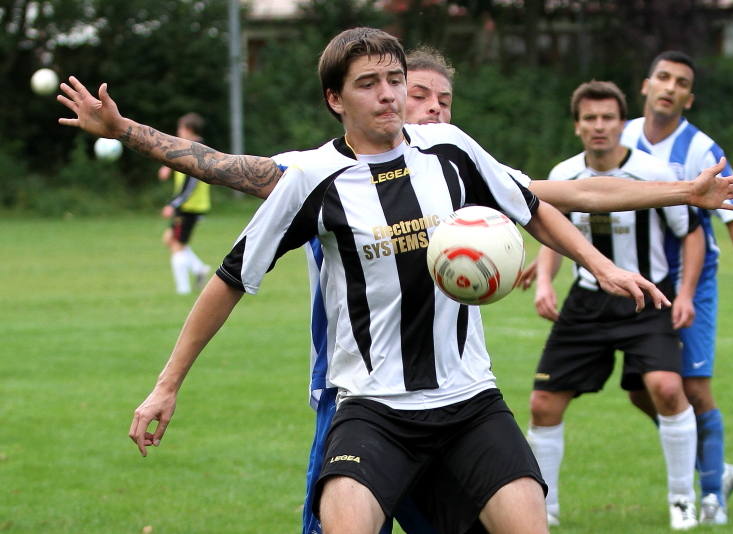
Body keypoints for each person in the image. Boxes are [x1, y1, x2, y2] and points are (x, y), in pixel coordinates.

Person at [61, 28, 678, 534]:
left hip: (470, 402)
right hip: (372, 409)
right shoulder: (312, 179)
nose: (388, 95)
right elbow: (229, 276)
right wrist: (166, 385)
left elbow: (534, 205)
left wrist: (602, 265)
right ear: (335, 99)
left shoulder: (450, 149)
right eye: (368, 84)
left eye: (394, 79)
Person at [527, 81, 704, 530]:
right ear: (577, 126)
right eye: (590, 118)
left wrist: (685, 294)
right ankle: (543, 510)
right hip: (587, 301)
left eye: (608, 117)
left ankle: (683, 501)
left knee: (667, 389)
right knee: (543, 403)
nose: (599, 126)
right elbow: (552, 229)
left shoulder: (654, 172)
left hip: (649, 297)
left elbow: (691, 232)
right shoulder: (563, 175)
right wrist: (544, 280)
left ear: (623, 124)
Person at [620, 51, 733, 525]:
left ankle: (712, 497)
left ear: (688, 98)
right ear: (646, 85)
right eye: (663, 77)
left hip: (692, 278)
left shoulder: (701, 149)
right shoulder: (621, 135)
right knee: (641, 390)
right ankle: (715, 467)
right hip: (641, 277)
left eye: (681, 82)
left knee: (694, 388)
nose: (670, 86)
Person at [157, 113, 212, 295]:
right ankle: (199, 269)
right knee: (169, 239)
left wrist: (172, 204)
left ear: (188, 130)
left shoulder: (198, 152)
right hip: (186, 205)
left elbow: (190, 185)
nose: (178, 132)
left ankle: (183, 290)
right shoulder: (188, 148)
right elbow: (178, 159)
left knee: (177, 245)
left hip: (190, 206)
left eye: (180, 129)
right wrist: (168, 166)